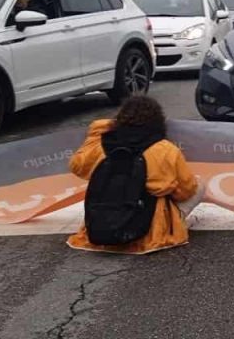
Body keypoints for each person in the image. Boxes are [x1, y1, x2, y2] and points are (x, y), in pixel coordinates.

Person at [67, 96, 203, 254]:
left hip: (101, 222)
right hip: (148, 231)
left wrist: (104, 127)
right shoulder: (164, 149)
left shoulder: (101, 142)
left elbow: (77, 166)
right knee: (199, 185)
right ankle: (176, 221)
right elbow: (185, 190)